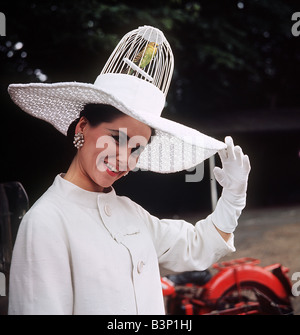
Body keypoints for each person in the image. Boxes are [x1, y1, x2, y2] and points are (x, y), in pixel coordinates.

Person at [7, 26, 250, 315]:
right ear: (83, 126)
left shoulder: (131, 214)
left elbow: (198, 245)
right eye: (117, 138)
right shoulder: (46, 222)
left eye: (137, 148)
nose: (125, 159)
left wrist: (233, 199)